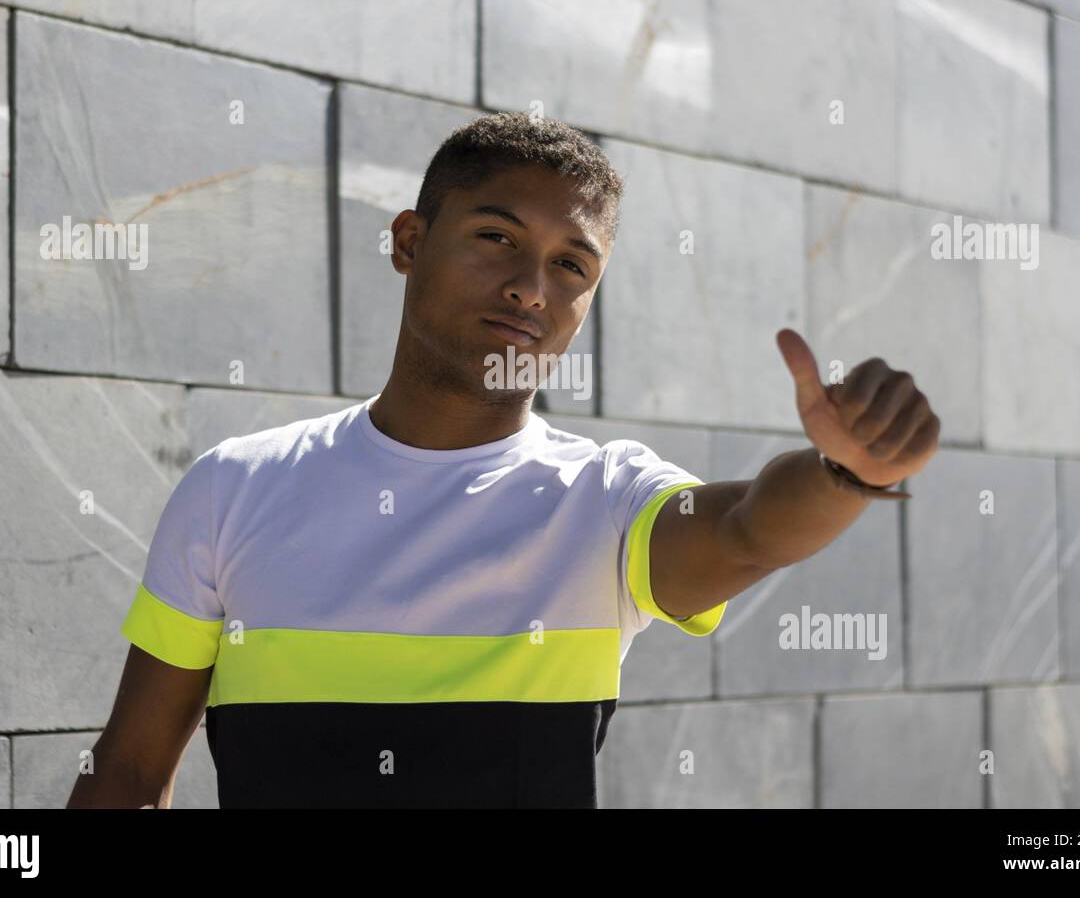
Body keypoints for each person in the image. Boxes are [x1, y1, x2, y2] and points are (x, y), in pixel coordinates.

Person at [67, 112, 939, 808]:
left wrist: (846, 475)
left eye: (572, 264)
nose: (533, 287)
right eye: (497, 237)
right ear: (409, 240)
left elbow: (745, 531)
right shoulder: (234, 486)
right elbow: (130, 777)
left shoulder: (603, 499)